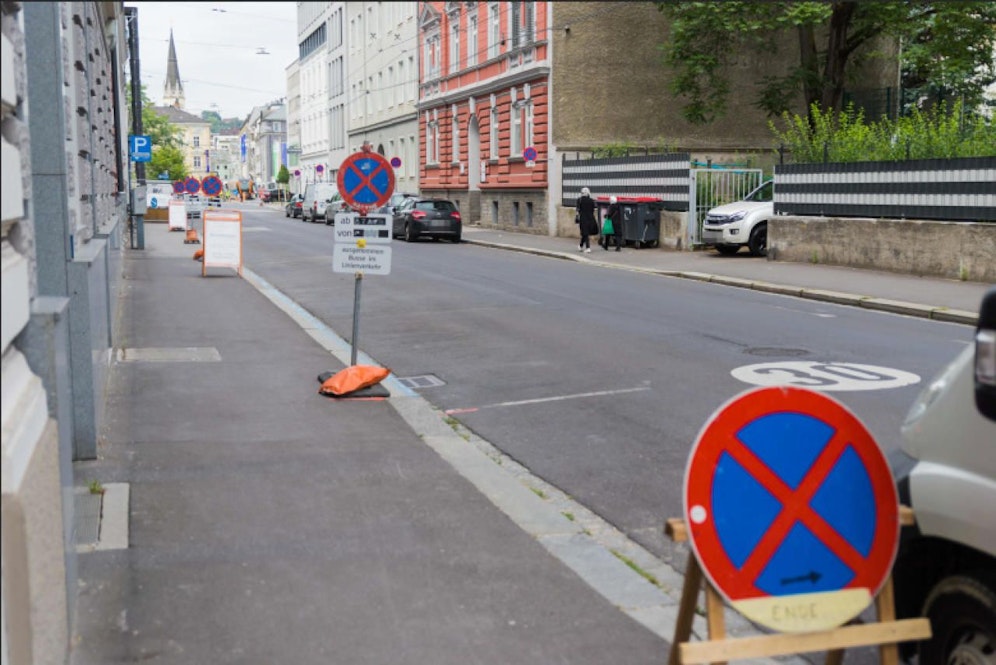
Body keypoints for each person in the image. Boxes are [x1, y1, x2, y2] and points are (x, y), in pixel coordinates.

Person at [575, 187, 598, 253]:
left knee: (585, 233)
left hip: (583, 218)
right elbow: (593, 209)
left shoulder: (579, 200)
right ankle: (580, 246)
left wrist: (577, 216)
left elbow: (577, 209)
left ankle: (588, 247)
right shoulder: (591, 200)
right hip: (590, 218)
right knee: (585, 233)